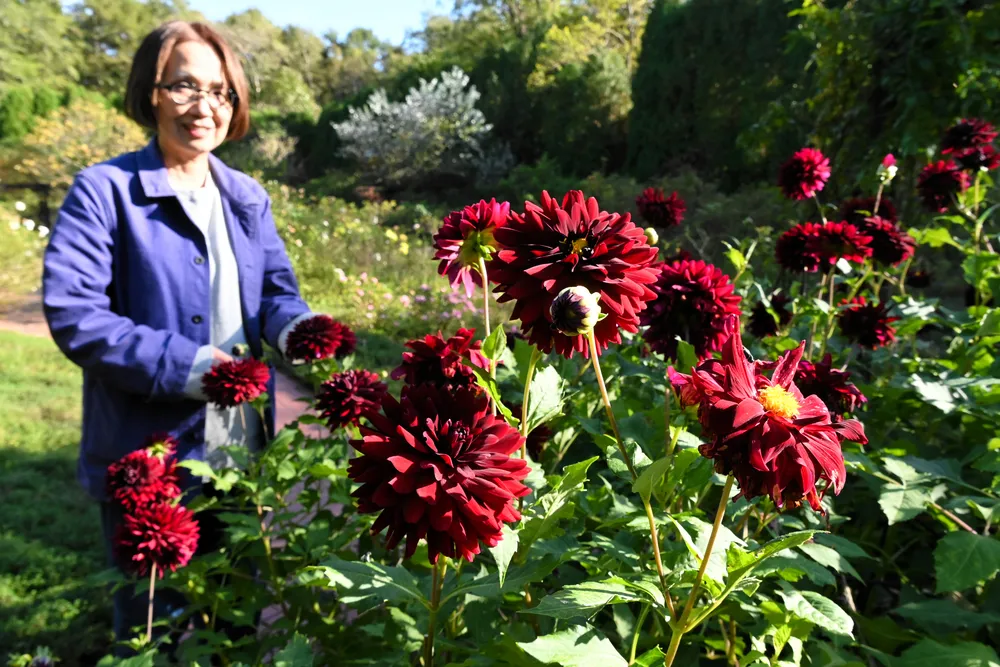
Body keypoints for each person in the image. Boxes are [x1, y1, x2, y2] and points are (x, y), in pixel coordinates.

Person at [42, 20, 320, 650]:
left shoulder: (246, 196)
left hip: (238, 449)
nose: (205, 107)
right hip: (148, 455)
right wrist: (195, 366)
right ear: (151, 92)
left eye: (221, 92)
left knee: (237, 619)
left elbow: (276, 295)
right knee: (154, 628)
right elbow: (75, 314)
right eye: (185, 86)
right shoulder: (105, 192)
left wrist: (304, 330)